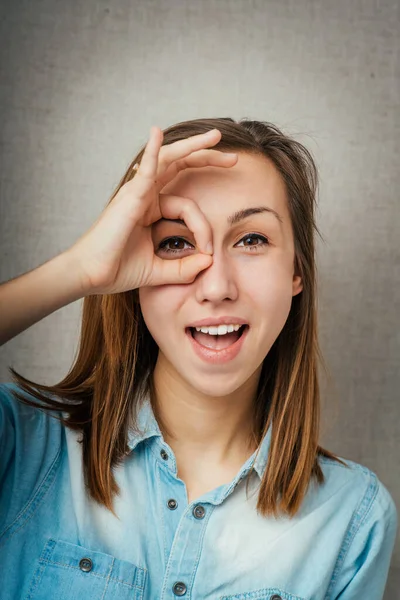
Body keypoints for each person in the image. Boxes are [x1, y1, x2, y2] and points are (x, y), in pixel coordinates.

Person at [0, 118, 397, 600]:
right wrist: (81, 270)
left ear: (298, 271)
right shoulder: (22, 448)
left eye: (252, 240)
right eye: (177, 242)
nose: (216, 288)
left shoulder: (355, 518)